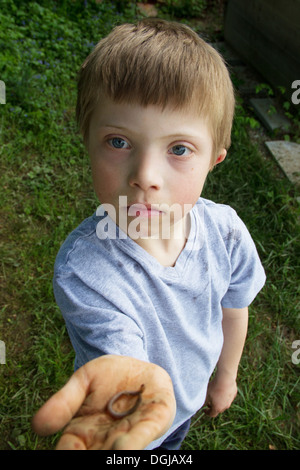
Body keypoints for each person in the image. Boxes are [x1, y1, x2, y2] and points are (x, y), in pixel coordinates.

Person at [32, 18, 266, 450]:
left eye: (179, 149)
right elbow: (120, 353)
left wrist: (226, 377)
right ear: (86, 140)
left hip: (187, 403)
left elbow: (234, 308)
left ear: (214, 159)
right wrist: (129, 390)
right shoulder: (84, 270)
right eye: (119, 142)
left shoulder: (227, 234)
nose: (145, 176)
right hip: (137, 420)